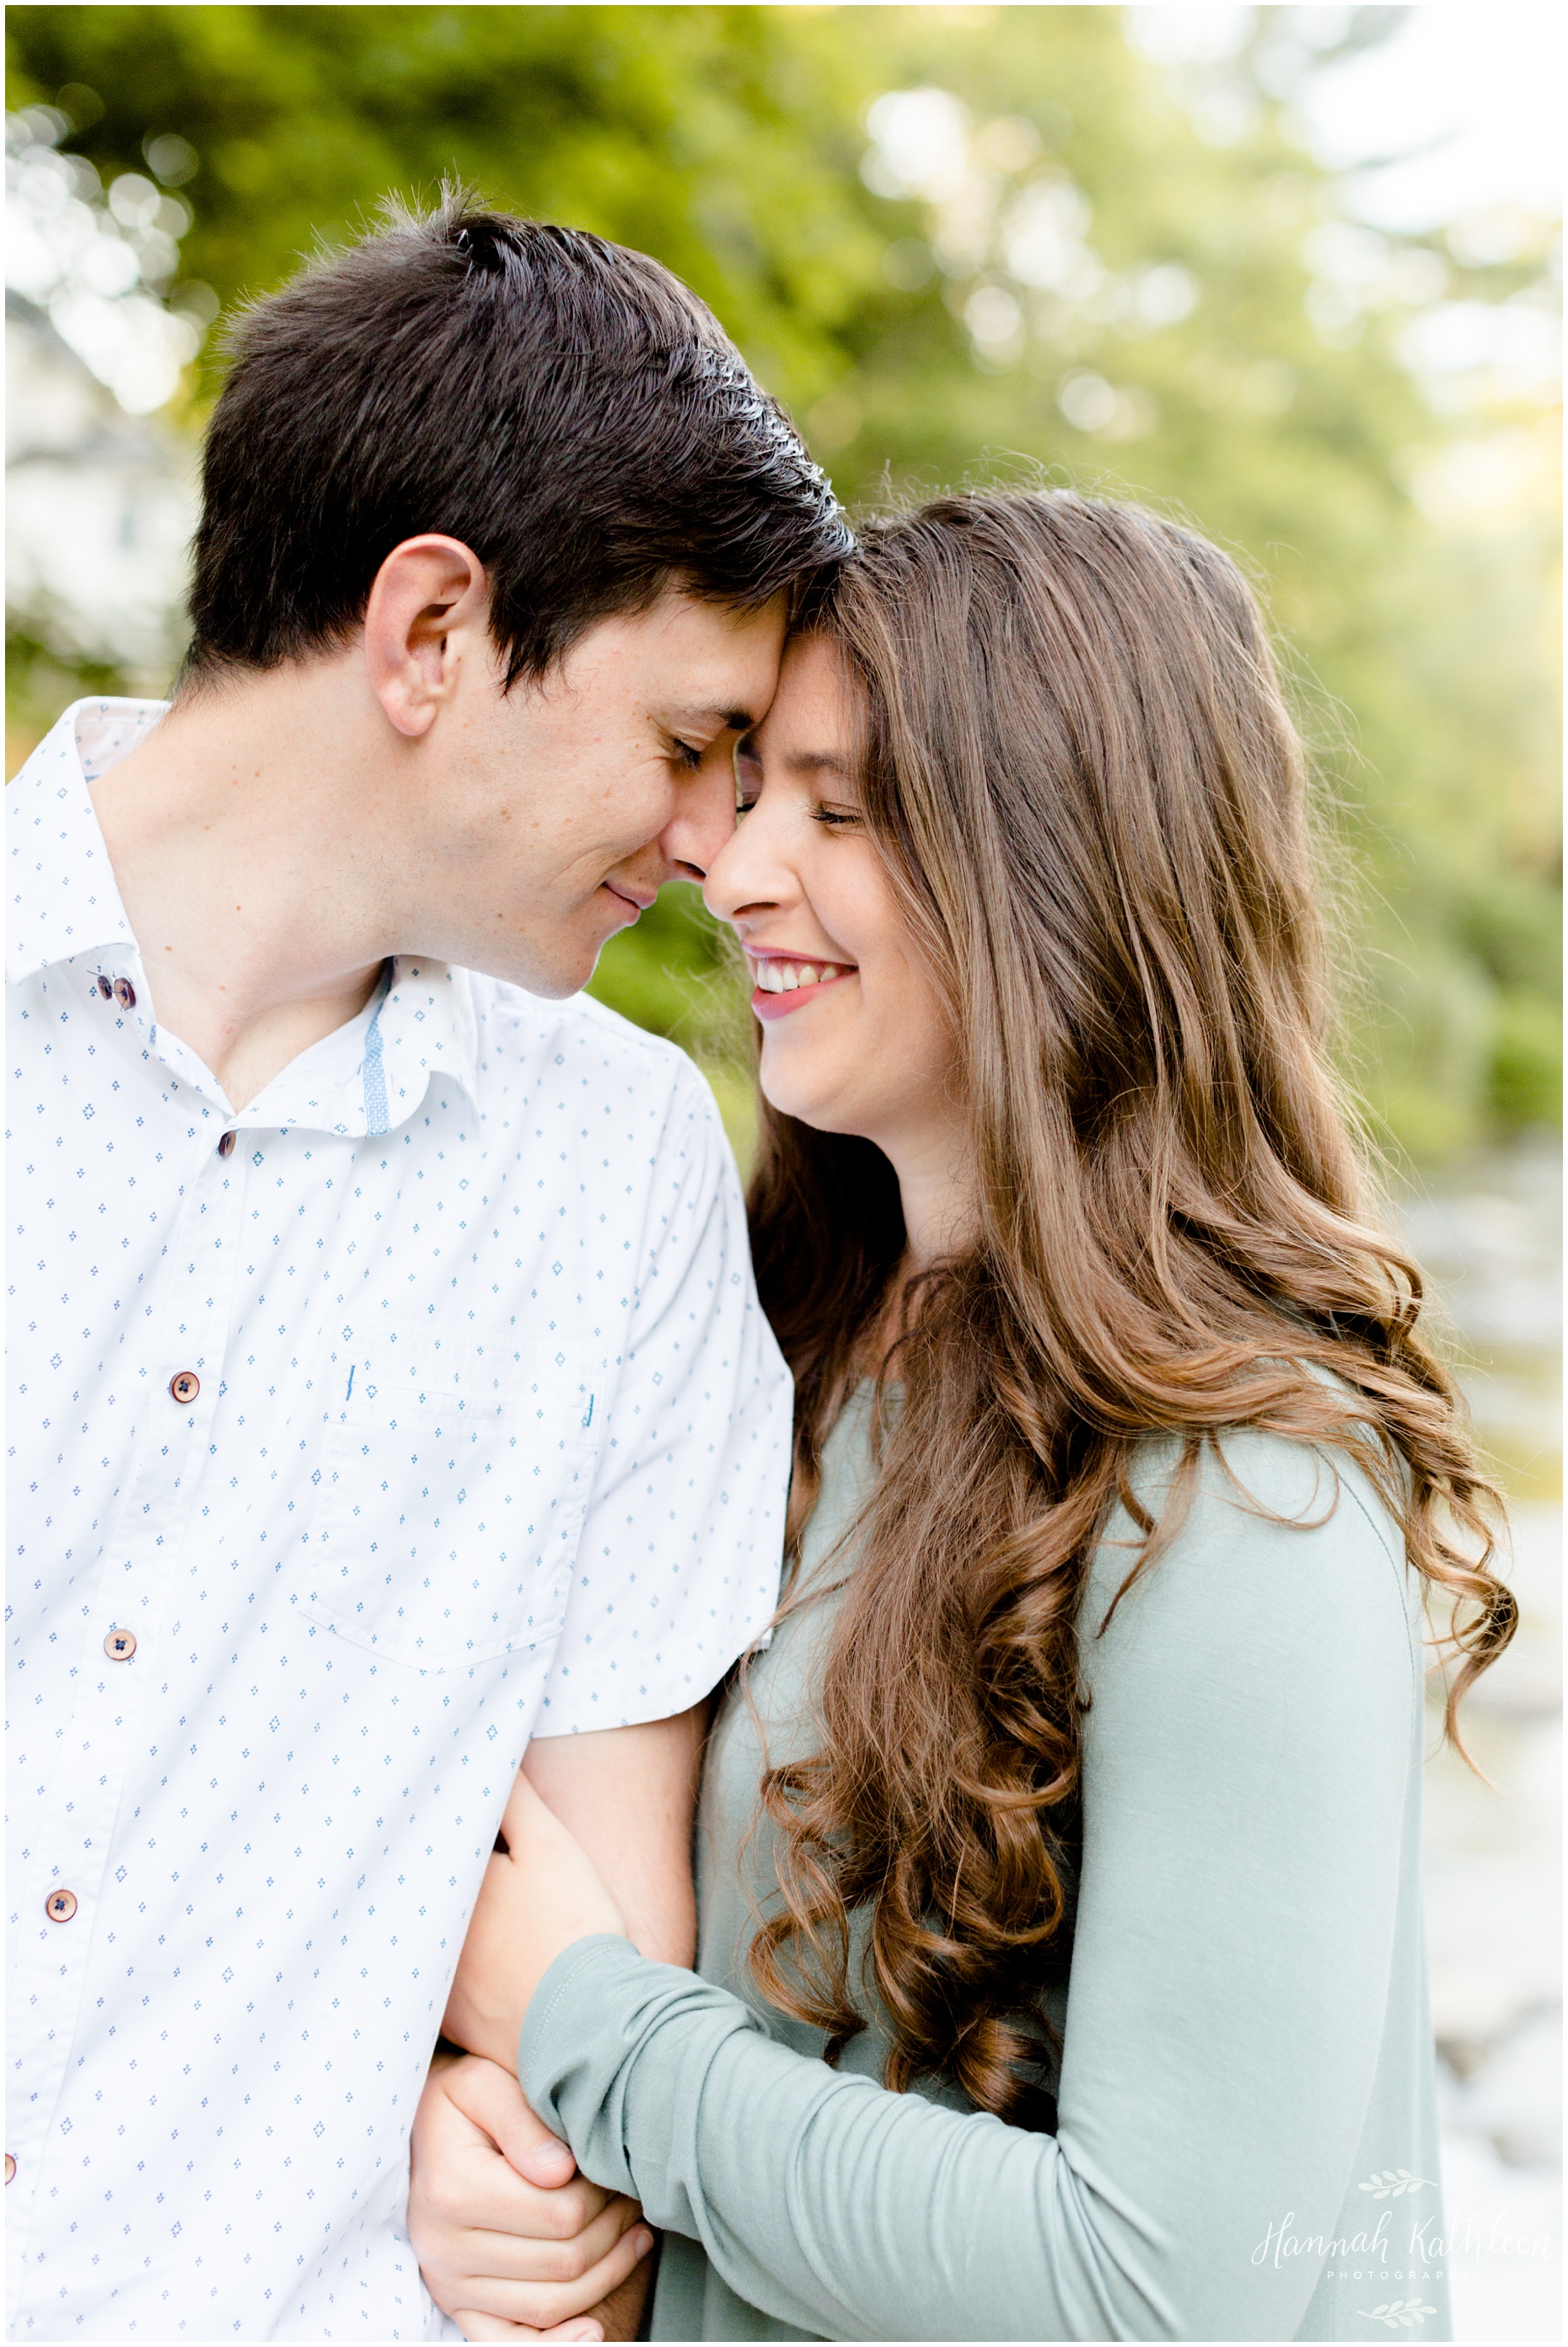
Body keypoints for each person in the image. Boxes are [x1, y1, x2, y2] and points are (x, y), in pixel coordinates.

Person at [415, 491, 1517, 2342]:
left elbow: (1161, 2292)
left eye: (839, 813)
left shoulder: (1242, 1481)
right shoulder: (771, 1341)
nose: (741, 865)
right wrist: (502, 2156)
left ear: (1063, 869)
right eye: (754, 790)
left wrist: (587, 2035)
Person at [4, 192, 851, 2340]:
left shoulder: (626, 1179)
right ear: (431, 632)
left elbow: (602, 1925)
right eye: (684, 744)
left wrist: (537, 2165)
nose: (708, 849)